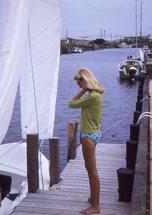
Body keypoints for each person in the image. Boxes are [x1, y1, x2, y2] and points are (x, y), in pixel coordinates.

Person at [68, 68, 104, 214]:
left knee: (92, 172)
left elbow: (71, 103)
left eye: (79, 83)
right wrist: (86, 90)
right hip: (92, 134)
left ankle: (95, 206)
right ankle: (93, 199)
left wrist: (83, 91)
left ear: (85, 80)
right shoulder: (94, 95)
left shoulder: (91, 96)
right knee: (90, 169)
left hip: (88, 136)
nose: (78, 86)